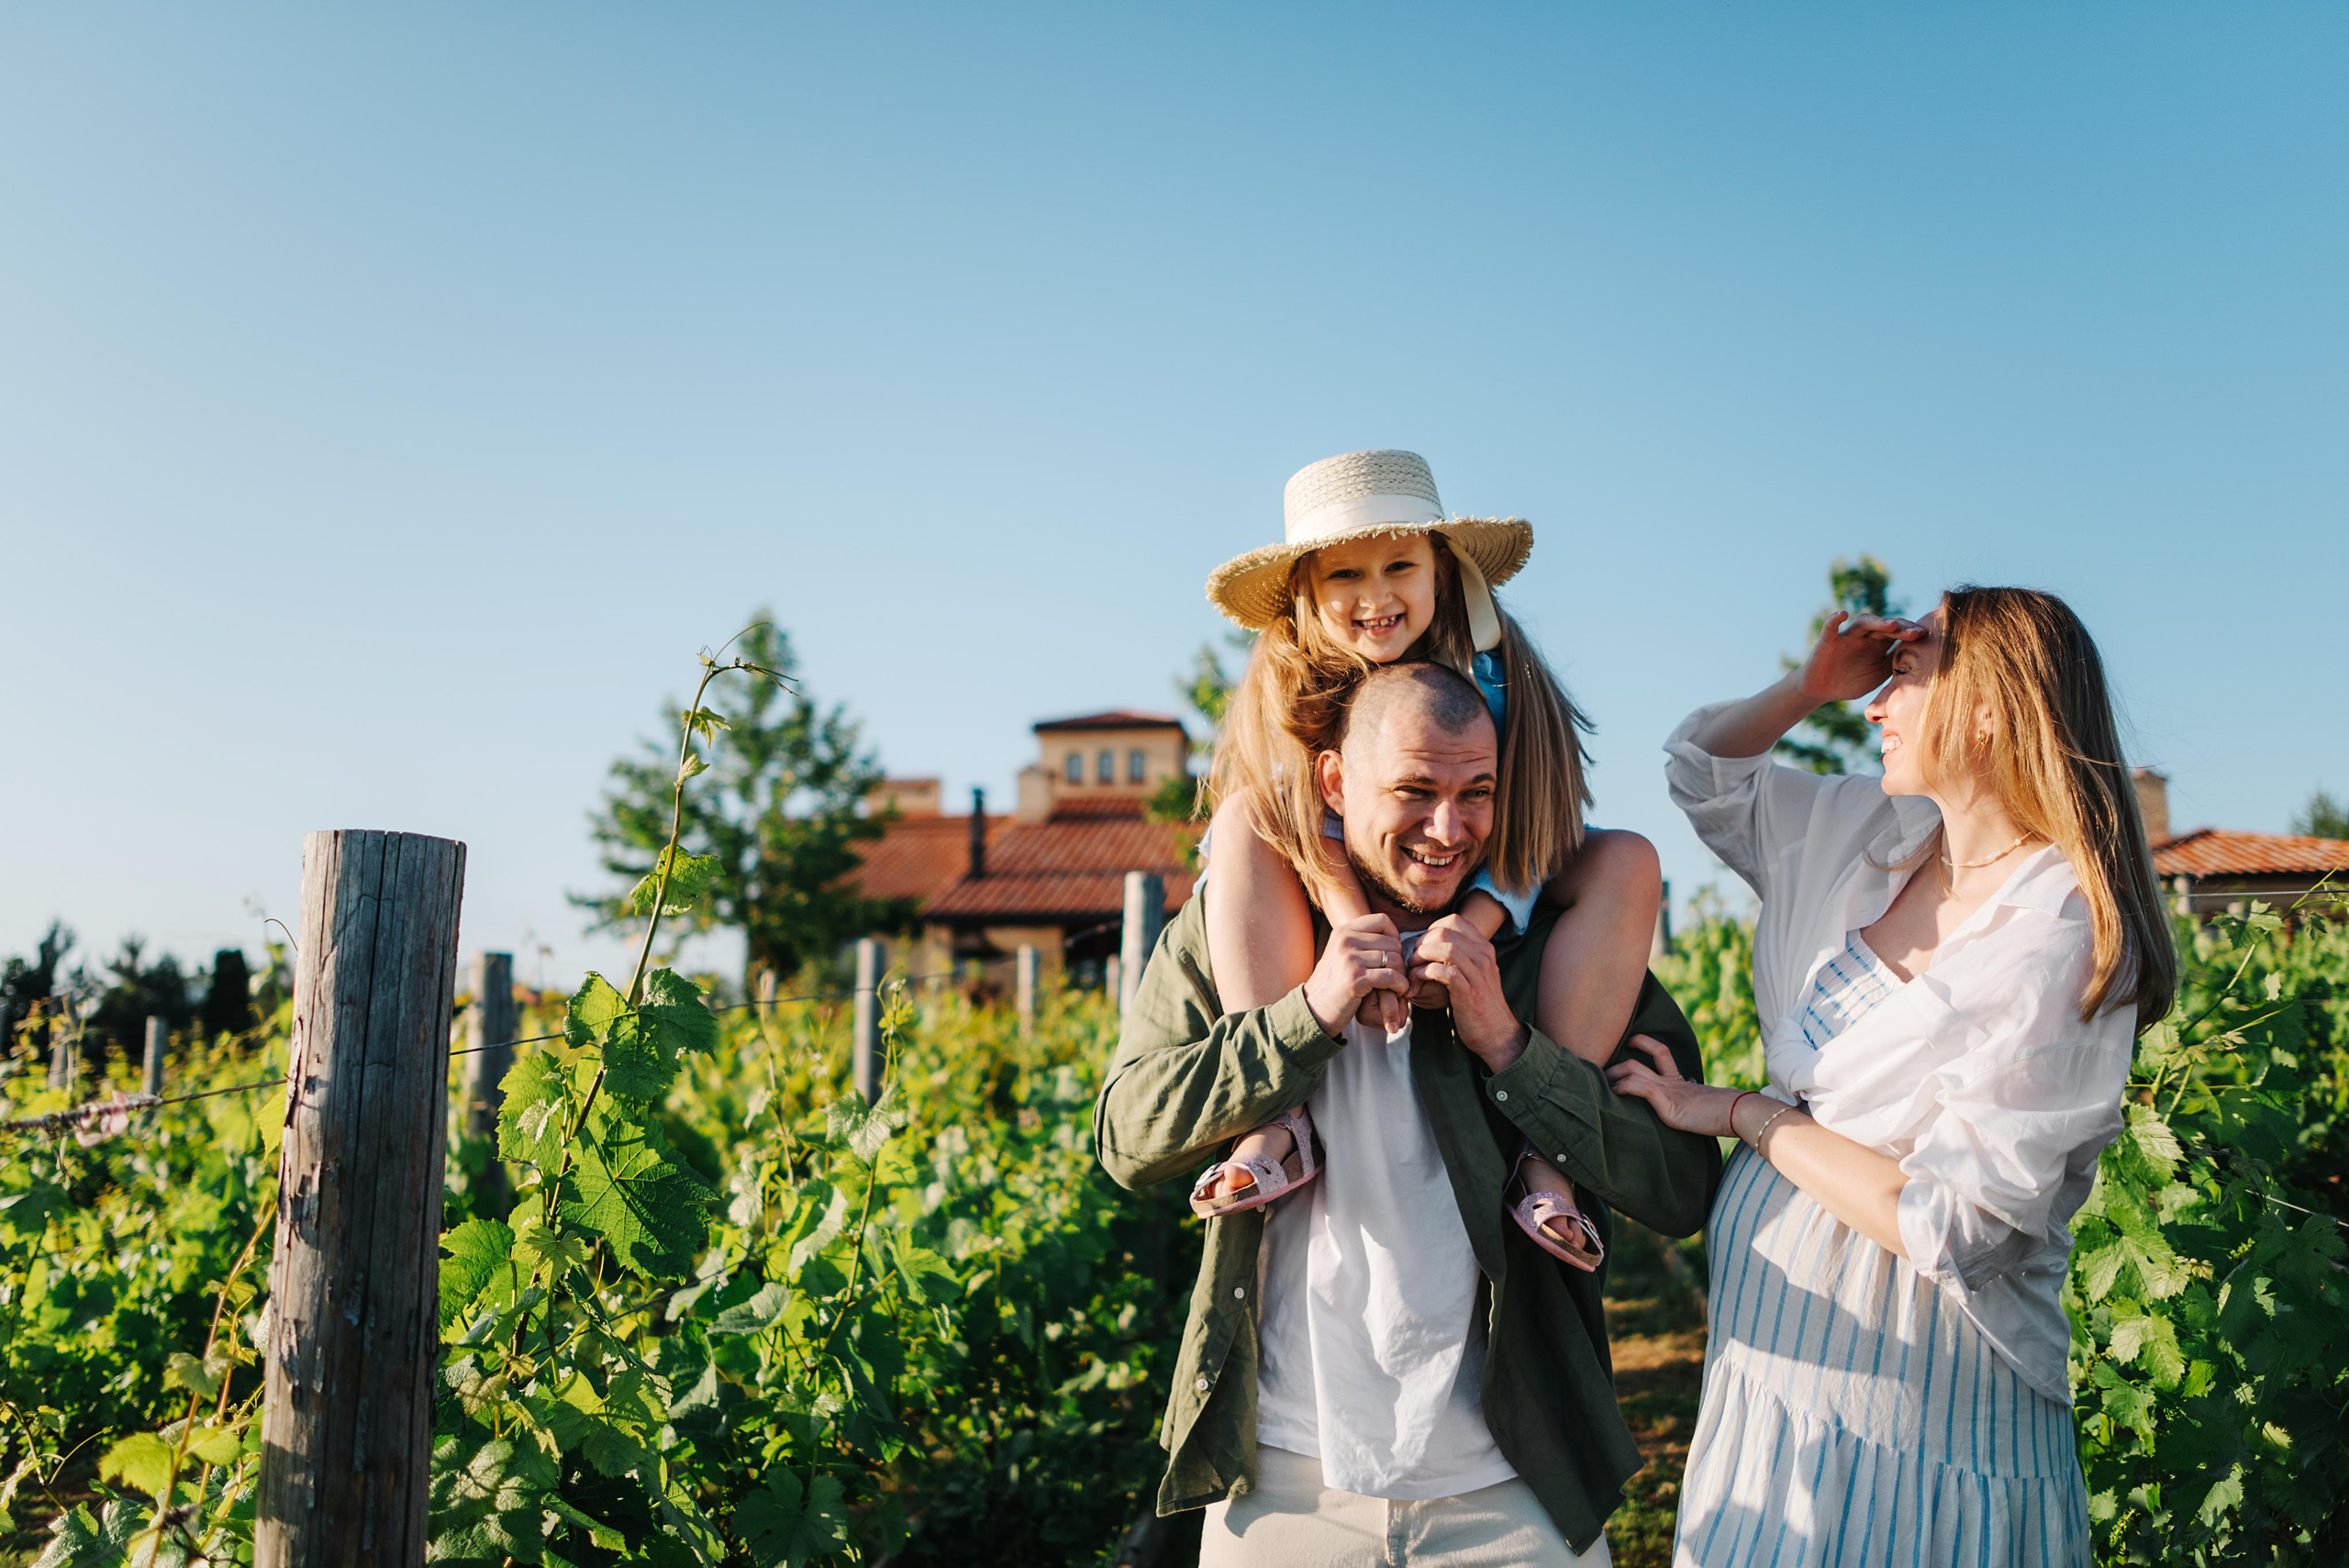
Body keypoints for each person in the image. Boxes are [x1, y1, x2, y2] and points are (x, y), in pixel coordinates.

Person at [1095, 660, 1721, 1565]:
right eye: (1413, 791)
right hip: (1282, 1482)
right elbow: (1128, 1137)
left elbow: (1677, 1186)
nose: (1447, 827)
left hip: (1515, 1488)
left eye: (1477, 793)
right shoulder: (1240, 927)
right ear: (1335, 782)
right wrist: (1305, 1014)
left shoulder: (1558, 940)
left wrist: (1511, 1046)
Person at [1608, 587, 2176, 1566]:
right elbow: (1700, 768)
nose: (1874, 703)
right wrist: (1806, 685)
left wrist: (1740, 1112)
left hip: (1914, 1408)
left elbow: (1953, 1224)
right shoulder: (1863, 830)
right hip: (1769, 1379)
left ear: (1989, 704)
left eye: (1904, 673)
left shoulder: (2060, 931)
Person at [1188, 449, 1664, 1272]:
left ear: (1440, 568)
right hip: (1334, 880)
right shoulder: (1288, 682)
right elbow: (1296, 820)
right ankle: (1279, 1118)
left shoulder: (1498, 675)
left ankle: (1549, 1157)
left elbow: (1532, 821)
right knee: (1239, 821)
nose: (1376, 596)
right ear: (1305, 591)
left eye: (1400, 564)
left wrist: (1471, 927)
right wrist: (1358, 931)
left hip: (1498, 868)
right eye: (1345, 575)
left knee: (1626, 861)